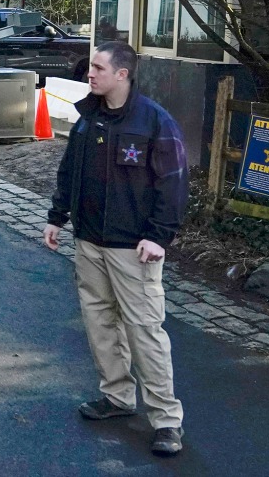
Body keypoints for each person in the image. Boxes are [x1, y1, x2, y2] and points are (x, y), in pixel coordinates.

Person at [43, 41, 188, 457]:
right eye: (91, 67)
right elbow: (69, 170)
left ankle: (166, 420)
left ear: (122, 74)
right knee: (100, 323)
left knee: (145, 332)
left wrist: (159, 236)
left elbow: (175, 183)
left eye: (98, 68)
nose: (90, 74)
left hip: (133, 249)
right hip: (90, 242)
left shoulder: (155, 122)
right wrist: (57, 217)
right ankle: (117, 397)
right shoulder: (88, 117)